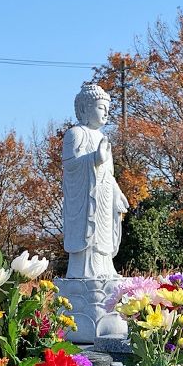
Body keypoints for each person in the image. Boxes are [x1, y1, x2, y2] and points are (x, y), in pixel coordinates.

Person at [62, 82, 129, 278]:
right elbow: (70, 165)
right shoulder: (75, 133)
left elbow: (108, 173)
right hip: (85, 196)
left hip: (104, 195)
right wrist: (93, 159)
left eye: (108, 109)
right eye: (101, 108)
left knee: (103, 234)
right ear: (84, 108)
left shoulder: (103, 137)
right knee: (88, 237)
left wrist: (117, 193)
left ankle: (106, 268)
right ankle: (81, 271)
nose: (106, 113)